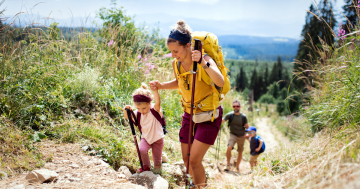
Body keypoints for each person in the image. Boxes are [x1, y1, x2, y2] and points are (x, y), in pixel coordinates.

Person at [149, 20, 224, 188]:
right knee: (187, 159)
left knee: (195, 160)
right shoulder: (177, 63)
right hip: (189, 114)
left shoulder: (204, 58)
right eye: (171, 51)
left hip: (208, 116)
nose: (173, 54)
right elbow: (180, 82)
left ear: (188, 46)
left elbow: (220, 80)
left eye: (176, 50)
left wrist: (203, 64)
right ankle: (195, 185)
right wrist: (161, 86)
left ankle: (200, 187)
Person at [123, 83, 165, 173]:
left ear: (150, 103)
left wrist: (155, 91)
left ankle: (158, 170)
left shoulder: (154, 110)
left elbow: (158, 102)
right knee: (141, 150)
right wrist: (126, 110)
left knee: (157, 160)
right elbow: (128, 117)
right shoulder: (138, 113)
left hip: (157, 138)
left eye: (144, 108)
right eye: (138, 108)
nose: (141, 111)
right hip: (146, 137)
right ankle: (146, 166)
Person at [221, 100, 249, 173]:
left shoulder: (243, 117)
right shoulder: (229, 115)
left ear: (240, 107)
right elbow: (222, 121)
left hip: (241, 136)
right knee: (229, 147)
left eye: (237, 106)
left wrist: (249, 135)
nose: (236, 107)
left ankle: (237, 167)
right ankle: (228, 165)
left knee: (240, 152)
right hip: (233, 134)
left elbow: (247, 127)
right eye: (234, 106)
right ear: (232, 107)